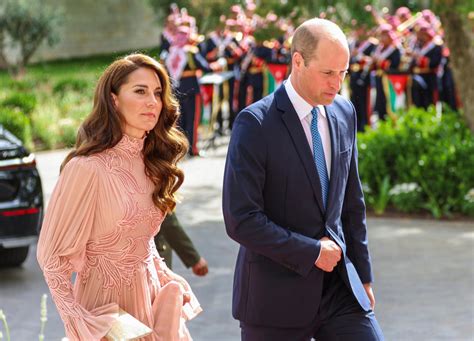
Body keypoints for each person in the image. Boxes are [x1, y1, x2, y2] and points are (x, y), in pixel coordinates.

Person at [223, 18, 384, 340]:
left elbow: (352, 203)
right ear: (298, 61)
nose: (337, 84)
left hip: (340, 292)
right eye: (328, 73)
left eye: (343, 73)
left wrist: (363, 276)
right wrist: (310, 251)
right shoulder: (255, 123)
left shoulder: (344, 112)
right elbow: (241, 219)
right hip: (274, 297)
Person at [37, 53, 202, 340]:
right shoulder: (86, 168)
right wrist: (79, 323)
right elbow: (51, 258)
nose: (153, 101)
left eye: (158, 93)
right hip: (107, 311)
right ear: (114, 99)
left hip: (152, 298)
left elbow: (142, 237)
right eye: (140, 91)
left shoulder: (151, 162)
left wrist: (163, 274)